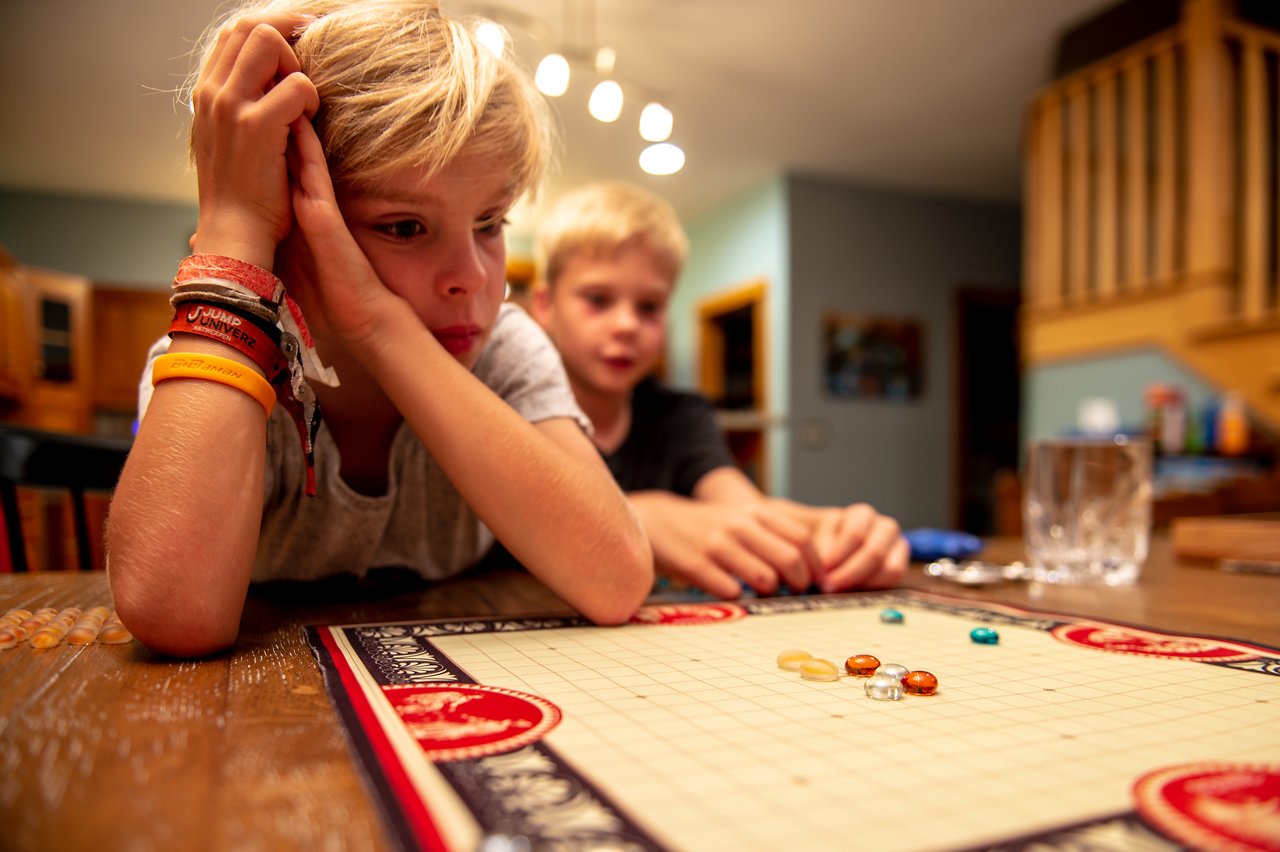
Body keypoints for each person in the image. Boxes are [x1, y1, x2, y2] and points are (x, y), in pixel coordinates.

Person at [106, 0, 652, 657]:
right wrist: (234, 225)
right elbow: (174, 612)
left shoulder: (502, 350)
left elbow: (616, 577)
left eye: (490, 223)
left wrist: (380, 325)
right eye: (404, 227)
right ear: (288, 222)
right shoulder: (220, 355)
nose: (472, 277)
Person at [530, 181, 908, 599]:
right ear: (545, 305)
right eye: (598, 299)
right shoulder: (512, 414)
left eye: (649, 307)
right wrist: (639, 515)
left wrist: (845, 528)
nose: (626, 325)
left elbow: (742, 507)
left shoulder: (682, 415)